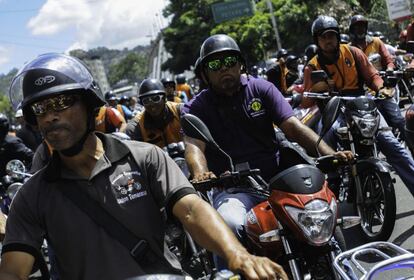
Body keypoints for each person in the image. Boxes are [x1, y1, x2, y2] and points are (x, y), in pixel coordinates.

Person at [1, 53, 288, 280]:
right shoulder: (32, 196)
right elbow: (14, 268)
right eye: (40, 109)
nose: (50, 116)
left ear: (90, 106)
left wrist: (237, 255)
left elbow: (190, 209)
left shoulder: (145, 158)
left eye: (61, 103)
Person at [182, 34, 353, 269]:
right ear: (204, 73)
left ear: (240, 64)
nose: (225, 69)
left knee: (321, 212)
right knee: (228, 224)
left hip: (280, 182)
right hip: (235, 189)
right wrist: (200, 173)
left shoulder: (260, 88)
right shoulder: (197, 107)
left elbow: (292, 127)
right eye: (215, 65)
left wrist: (328, 152)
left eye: (230, 61)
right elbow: (194, 147)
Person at [302, 15, 414, 189]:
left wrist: (381, 88)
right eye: (322, 37)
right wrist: (318, 88)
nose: (327, 40)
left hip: (362, 102)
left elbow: (372, 76)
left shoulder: (353, 52)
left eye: (331, 35)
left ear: (337, 36)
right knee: (328, 134)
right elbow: (306, 102)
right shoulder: (312, 66)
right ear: (317, 40)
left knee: (391, 144)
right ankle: (333, 178)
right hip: (334, 108)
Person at [348, 14, 407, 142]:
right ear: (352, 29)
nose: (360, 29)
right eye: (357, 27)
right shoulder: (349, 49)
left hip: (382, 88)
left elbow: (388, 60)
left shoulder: (376, 42)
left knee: (398, 118)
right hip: (364, 93)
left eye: (362, 26)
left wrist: (389, 70)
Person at [126, 79, 183, 148]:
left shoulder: (180, 111)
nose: (152, 105)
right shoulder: (137, 127)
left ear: (164, 98)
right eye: (146, 101)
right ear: (142, 104)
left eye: (156, 98)